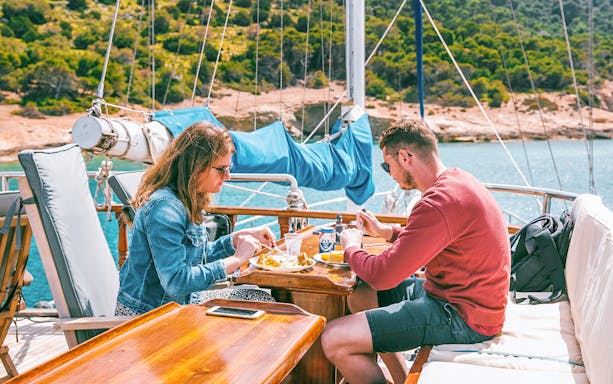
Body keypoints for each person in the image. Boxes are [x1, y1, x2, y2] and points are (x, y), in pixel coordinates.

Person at [321, 118, 511, 384]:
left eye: (387, 166)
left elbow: (383, 275)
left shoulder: (437, 202)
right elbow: (439, 241)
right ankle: (400, 379)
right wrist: (388, 234)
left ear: (405, 157)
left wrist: (350, 246)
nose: (389, 173)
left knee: (334, 338)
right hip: (466, 302)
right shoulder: (457, 182)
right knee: (362, 293)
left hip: (462, 316)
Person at [116, 121, 276, 316]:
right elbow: (176, 282)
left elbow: (194, 257)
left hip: (179, 305)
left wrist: (233, 241)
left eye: (229, 168)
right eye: (221, 169)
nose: (228, 176)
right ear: (196, 167)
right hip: (148, 317)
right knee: (261, 307)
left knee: (261, 297)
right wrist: (237, 259)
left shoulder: (186, 198)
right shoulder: (165, 209)